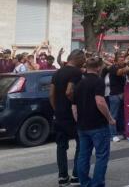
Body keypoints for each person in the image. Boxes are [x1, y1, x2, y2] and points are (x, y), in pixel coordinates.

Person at [72, 56, 115, 187]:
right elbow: (100, 101)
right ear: (98, 67)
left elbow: (74, 107)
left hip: (82, 125)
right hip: (98, 125)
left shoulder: (79, 83)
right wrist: (109, 118)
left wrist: (78, 121)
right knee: (101, 156)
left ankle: (84, 183)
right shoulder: (98, 81)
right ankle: (97, 184)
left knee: (83, 155)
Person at [50, 49, 85, 187]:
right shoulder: (76, 72)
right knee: (81, 144)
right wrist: (74, 103)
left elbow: (51, 94)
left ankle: (63, 177)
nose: (84, 61)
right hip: (73, 116)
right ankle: (76, 176)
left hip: (59, 115)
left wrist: (56, 109)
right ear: (77, 58)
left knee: (61, 147)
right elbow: (69, 91)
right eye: (83, 58)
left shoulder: (58, 72)